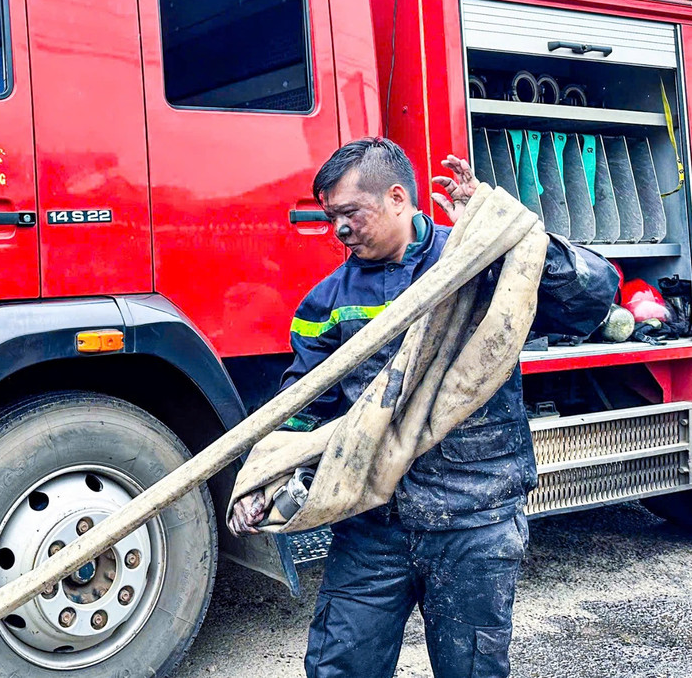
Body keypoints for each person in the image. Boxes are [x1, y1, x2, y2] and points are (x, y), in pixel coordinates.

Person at [228, 138, 617, 678]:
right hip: (370, 524)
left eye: (349, 214)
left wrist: (505, 228)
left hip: (472, 519)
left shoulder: (476, 261)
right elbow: (303, 409)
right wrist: (268, 478)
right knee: (338, 668)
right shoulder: (325, 302)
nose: (338, 229)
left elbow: (592, 300)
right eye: (330, 217)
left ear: (395, 198)